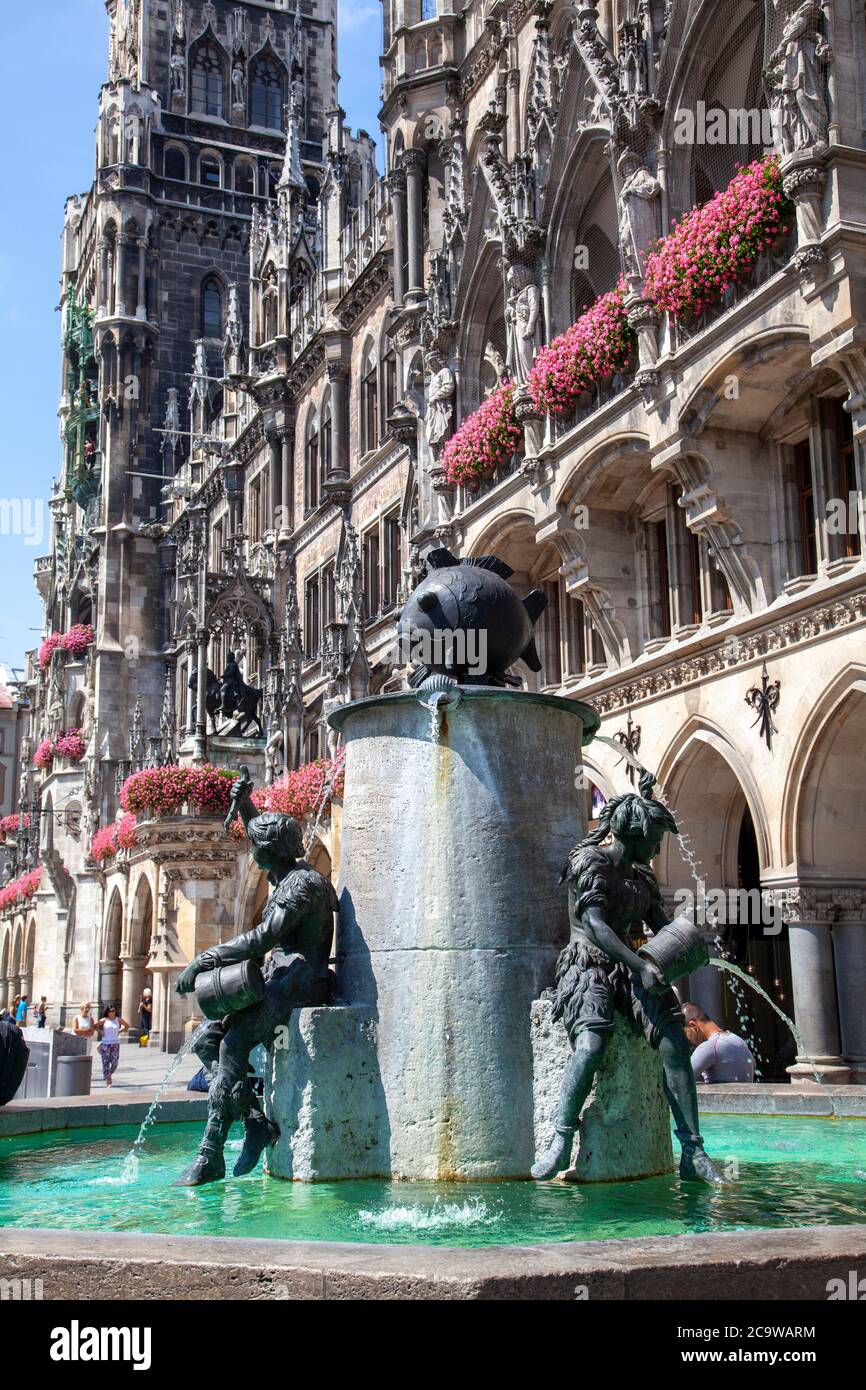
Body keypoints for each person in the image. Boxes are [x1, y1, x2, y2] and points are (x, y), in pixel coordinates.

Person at [532, 768, 726, 1185]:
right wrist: (641, 965)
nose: (658, 848)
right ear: (633, 833)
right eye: (654, 838)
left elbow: (662, 925)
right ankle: (560, 1139)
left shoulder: (642, 879)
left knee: (674, 1037)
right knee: (591, 1042)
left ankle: (693, 1150)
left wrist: (686, 943)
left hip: (631, 966)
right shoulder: (590, 862)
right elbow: (597, 926)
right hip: (586, 963)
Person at [173, 772, 337, 1187]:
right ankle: (254, 1119)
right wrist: (246, 804)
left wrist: (204, 960)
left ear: (270, 850)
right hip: (278, 978)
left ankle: (211, 1152)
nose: (250, 848)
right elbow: (263, 830)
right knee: (208, 1039)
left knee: (232, 1042)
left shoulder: (302, 885)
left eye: (256, 844)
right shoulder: (284, 876)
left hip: (304, 982)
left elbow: (264, 937)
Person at [684, 1003, 756, 1083]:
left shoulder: (709, 1047)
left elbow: (681, 1079)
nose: (687, 1040)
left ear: (693, 1026)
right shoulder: (739, 1041)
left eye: (685, 1034)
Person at [96, 1005, 129, 1087]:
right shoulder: (104, 1020)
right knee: (105, 1062)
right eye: (110, 1011)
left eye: (113, 1011)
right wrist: (101, 1032)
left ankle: (109, 1073)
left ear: (115, 1011)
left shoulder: (118, 1019)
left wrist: (120, 1031)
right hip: (105, 1043)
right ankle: (108, 1080)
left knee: (115, 1062)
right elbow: (95, 1026)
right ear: (107, 1012)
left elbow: (127, 1025)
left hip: (115, 1043)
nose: (111, 1013)